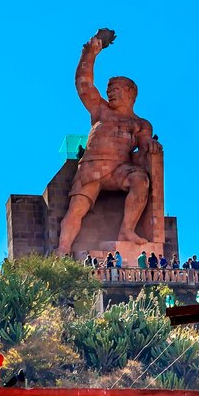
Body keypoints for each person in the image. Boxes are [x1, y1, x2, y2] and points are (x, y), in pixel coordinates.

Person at [55, 29, 159, 255]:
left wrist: (150, 146)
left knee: (140, 180)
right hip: (92, 166)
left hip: (119, 169)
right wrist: (90, 52)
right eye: (109, 90)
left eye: (116, 90)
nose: (110, 93)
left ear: (131, 93)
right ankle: (62, 249)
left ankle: (126, 230)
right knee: (76, 209)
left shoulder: (140, 123)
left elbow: (144, 144)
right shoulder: (101, 110)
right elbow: (83, 84)